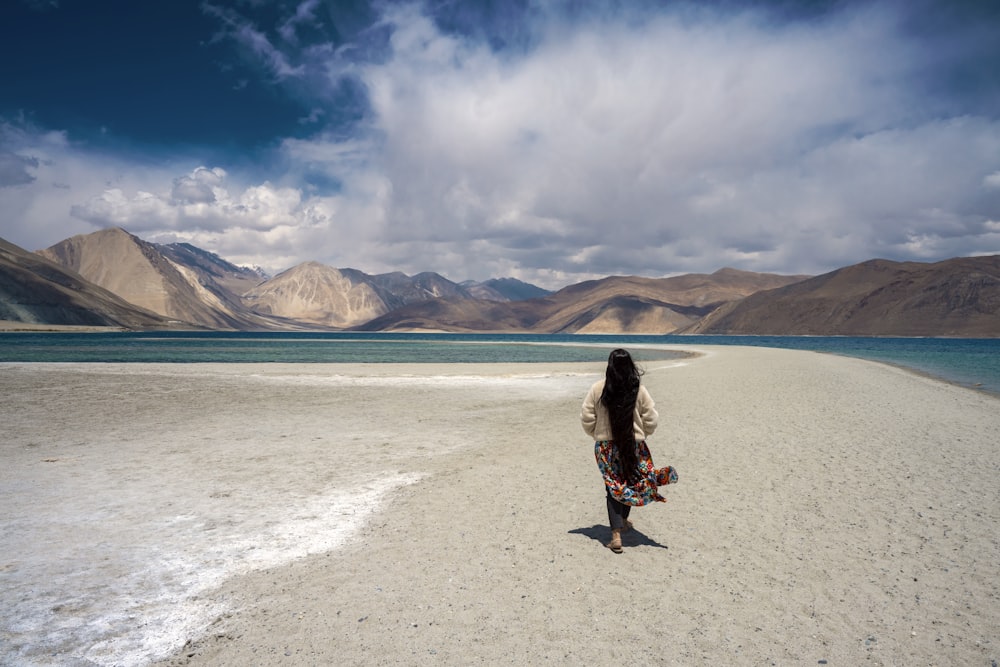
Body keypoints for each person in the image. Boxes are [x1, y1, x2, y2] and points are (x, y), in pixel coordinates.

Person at [581, 348, 677, 553]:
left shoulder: (598, 389)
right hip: (634, 445)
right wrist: (643, 434)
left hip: (606, 446)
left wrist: (597, 435)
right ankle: (623, 521)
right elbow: (651, 418)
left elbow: (587, 417)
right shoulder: (638, 389)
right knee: (631, 481)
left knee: (613, 485)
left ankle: (616, 533)